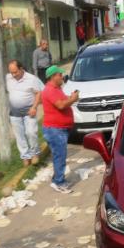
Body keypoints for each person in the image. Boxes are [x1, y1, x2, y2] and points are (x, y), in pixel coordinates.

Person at [41, 65, 79, 194]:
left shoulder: (57, 89)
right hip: (55, 130)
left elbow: (62, 101)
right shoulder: (50, 90)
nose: (62, 76)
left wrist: (70, 97)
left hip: (59, 129)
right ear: (53, 77)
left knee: (59, 155)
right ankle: (59, 182)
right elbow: (61, 105)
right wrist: (73, 99)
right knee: (60, 156)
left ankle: (57, 179)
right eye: (59, 75)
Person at [6, 60, 43, 167]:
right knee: (19, 136)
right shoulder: (8, 78)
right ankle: (25, 156)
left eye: (15, 72)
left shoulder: (31, 79)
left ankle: (35, 153)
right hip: (14, 113)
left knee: (31, 133)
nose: (13, 75)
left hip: (29, 111)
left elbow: (38, 93)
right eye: (11, 72)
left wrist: (34, 107)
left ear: (21, 69)